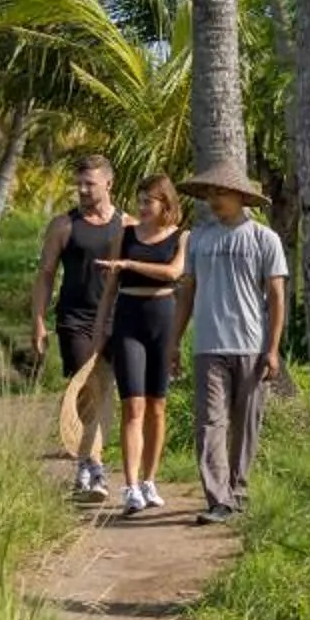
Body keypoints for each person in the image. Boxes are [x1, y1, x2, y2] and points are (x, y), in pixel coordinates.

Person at [175, 162, 286, 523]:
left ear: (241, 197)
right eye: (209, 193)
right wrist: (173, 342)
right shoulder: (199, 239)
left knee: (246, 423)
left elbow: (277, 296)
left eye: (220, 192)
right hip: (208, 345)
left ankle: (238, 490)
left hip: (251, 345)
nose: (214, 199)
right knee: (210, 423)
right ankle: (218, 499)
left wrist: (272, 349)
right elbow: (186, 293)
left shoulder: (263, 239)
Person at [93, 175, 188, 515]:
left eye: (149, 200)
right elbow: (110, 287)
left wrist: (130, 264)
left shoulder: (181, 237)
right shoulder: (126, 233)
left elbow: (174, 273)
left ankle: (149, 480)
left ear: (166, 203)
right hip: (128, 317)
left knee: (157, 406)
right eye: (140, 200)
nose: (142, 207)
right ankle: (131, 486)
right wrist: (100, 328)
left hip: (163, 318)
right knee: (133, 405)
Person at [30, 154, 122, 496]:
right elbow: (45, 276)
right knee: (87, 388)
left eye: (90, 184)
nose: (82, 190)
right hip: (75, 320)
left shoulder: (125, 225)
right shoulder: (63, 225)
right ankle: (93, 467)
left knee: (106, 391)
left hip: (115, 318)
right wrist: (38, 323)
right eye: (79, 183)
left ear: (108, 184)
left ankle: (88, 460)